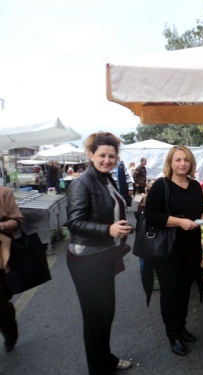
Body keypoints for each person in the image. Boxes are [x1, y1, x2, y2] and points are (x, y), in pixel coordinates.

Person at [66, 132, 133, 374]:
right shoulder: (81, 183)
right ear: (91, 155)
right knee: (96, 318)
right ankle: (100, 368)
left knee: (105, 314)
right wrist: (109, 229)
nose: (107, 160)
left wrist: (120, 226)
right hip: (86, 259)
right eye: (102, 155)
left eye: (111, 156)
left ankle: (106, 360)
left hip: (103, 256)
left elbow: (109, 211)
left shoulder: (106, 179)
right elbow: (74, 223)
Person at [143, 145, 203, 356]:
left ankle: (181, 328)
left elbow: (197, 210)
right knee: (170, 292)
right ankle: (173, 335)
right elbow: (151, 215)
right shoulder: (161, 186)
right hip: (167, 249)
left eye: (186, 160)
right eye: (178, 160)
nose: (182, 163)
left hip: (190, 246)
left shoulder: (194, 187)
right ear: (170, 163)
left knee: (184, 291)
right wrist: (180, 222)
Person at [0, 186, 24, 353]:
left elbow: (17, 220)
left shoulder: (4, 193)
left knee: (1, 306)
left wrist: (2, 226)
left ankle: (10, 332)